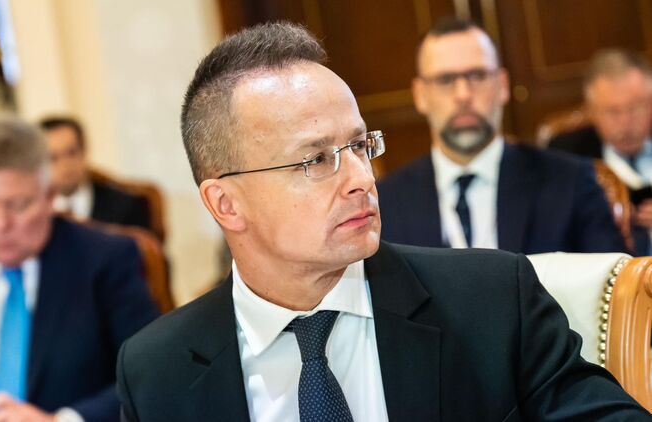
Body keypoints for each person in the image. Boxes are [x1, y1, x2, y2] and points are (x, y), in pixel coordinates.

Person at [115, 21, 649, 421]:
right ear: (225, 203)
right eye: (316, 159)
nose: (362, 179)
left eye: (359, 146)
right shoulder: (156, 371)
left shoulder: (492, 301)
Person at [0, 114, 159, 422]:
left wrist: (62, 421)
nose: (0, 224)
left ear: (49, 197)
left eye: (18, 205)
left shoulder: (107, 261)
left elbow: (151, 372)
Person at [377, 18, 626, 254]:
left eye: (477, 75)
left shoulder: (571, 183)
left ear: (503, 85)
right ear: (420, 95)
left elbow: (618, 280)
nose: (463, 94)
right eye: (445, 80)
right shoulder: (385, 203)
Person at [548, 49, 652, 254]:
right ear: (591, 111)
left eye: (636, 107)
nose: (626, 123)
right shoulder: (566, 156)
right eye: (613, 112)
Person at [39, 116, 153, 233]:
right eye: (53, 158)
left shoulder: (127, 206)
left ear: (84, 151)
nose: (65, 164)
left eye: (72, 153)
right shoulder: (34, 213)